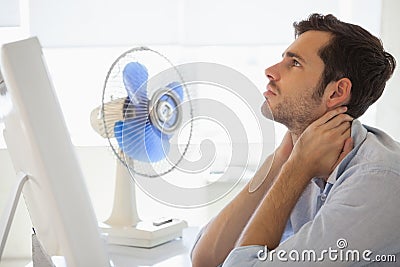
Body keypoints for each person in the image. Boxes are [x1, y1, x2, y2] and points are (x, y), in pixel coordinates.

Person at [191, 13, 399, 266]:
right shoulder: (303, 153)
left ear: (336, 92)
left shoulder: (379, 179)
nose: (270, 72)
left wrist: (295, 170)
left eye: (295, 63)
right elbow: (206, 259)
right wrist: (280, 161)